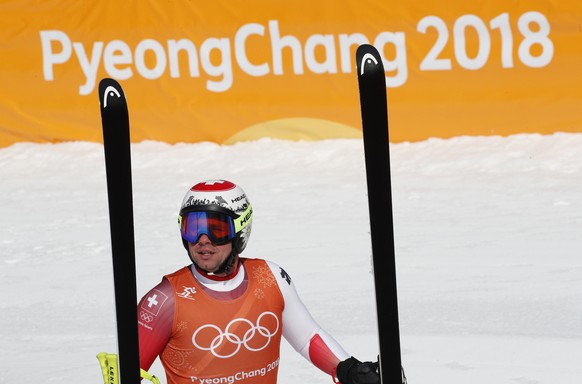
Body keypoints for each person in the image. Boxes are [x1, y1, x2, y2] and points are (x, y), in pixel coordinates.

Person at [137, 179, 387, 384]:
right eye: (193, 228)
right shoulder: (164, 300)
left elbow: (308, 338)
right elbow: (128, 371)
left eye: (217, 229)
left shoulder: (269, 277)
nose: (203, 239)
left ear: (240, 231)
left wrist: (350, 370)